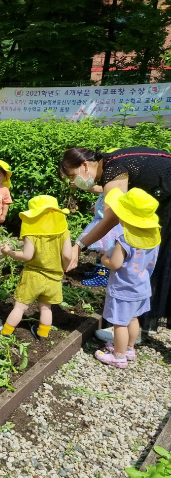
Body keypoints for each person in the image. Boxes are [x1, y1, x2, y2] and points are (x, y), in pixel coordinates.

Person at [58, 146, 171, 334]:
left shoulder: (113, 169)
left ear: (85, 165)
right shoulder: (111, 163)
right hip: (164, 197)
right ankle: (139, 324)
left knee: (163, 260)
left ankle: (129, 326)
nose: (74, 182)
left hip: (168, 202)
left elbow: (111, 218)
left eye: (72, 176)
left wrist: (79, 246)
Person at [94, 189, 160, 368]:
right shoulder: (153, 238)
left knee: (119, 323)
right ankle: (129, 348)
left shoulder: (124, 240)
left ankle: (119, 355)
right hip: (142, 287)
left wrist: (104, 259)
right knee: (133, 318)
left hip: (123, 289)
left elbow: (115, 264)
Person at [0, 196, 73, 341]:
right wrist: (64, 266)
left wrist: (9, 252)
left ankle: (5, 331)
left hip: (33, 276)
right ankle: (42, 333)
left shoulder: (32, 232)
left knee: (20, 307)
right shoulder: (63, 232)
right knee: (46, 308)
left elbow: (27, 256)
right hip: (54, 278)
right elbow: (68, 255)